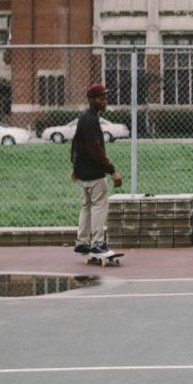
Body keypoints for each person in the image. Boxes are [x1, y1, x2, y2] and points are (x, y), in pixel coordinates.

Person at [71, 83, 122, 255]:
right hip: (94, 174)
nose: (105, 102)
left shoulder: (85, 117)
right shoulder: (91, 120)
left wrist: (76, 168)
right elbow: (95, 149)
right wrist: (112, 170)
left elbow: (76, 145)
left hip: (84, 173)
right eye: (101, 99)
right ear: (91, 100)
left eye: (105, 98)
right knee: (99, 206)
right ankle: (97, 244)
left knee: (86, 207)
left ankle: (82, 242)